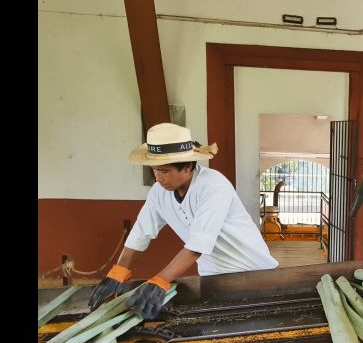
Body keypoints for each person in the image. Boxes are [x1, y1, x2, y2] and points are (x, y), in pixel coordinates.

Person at [89, 123, 279, 319]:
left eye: (164, 171)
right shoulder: (158, 193)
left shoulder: (213, 186)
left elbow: (198, 244)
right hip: (212, 277)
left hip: (255, 273)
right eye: (154, 171)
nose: (158, 178)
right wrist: (117, 273)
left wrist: (160, 281)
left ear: (187, 167)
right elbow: (140, 233)